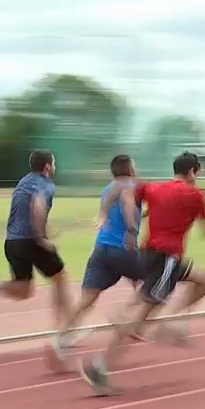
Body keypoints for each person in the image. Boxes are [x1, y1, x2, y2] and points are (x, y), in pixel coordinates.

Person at [78, 151, 205, 396]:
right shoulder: (196, 195)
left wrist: (104, 212)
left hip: (149, 254)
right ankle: (99, 366)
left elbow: (120, 187)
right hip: (166, 258)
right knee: (141, 319)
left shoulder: (153, 189)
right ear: (193, 172)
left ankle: (164, 319)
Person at [0, 150, 73, 355]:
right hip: (30, 241)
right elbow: (38, 207)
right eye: (54, 164)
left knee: (24, 289)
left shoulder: (24, 182)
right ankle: (64, 333)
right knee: (60, 278)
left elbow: (25, 210)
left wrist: (45, 233)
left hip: (12, 242)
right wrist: (41, 238)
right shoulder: (46, 184)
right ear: (48, 167)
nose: (55, 167)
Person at [52, 155, 147, 367]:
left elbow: (120, 210)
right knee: (154, 282)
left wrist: (139, 216)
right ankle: (125, 319)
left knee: (86, 300)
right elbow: (127, 203)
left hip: (101, 249)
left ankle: (61, 338)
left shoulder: (107, 189)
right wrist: (132, 229)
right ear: (130, 169)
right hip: (122, 247)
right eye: (135, 165)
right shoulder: (129, 186)